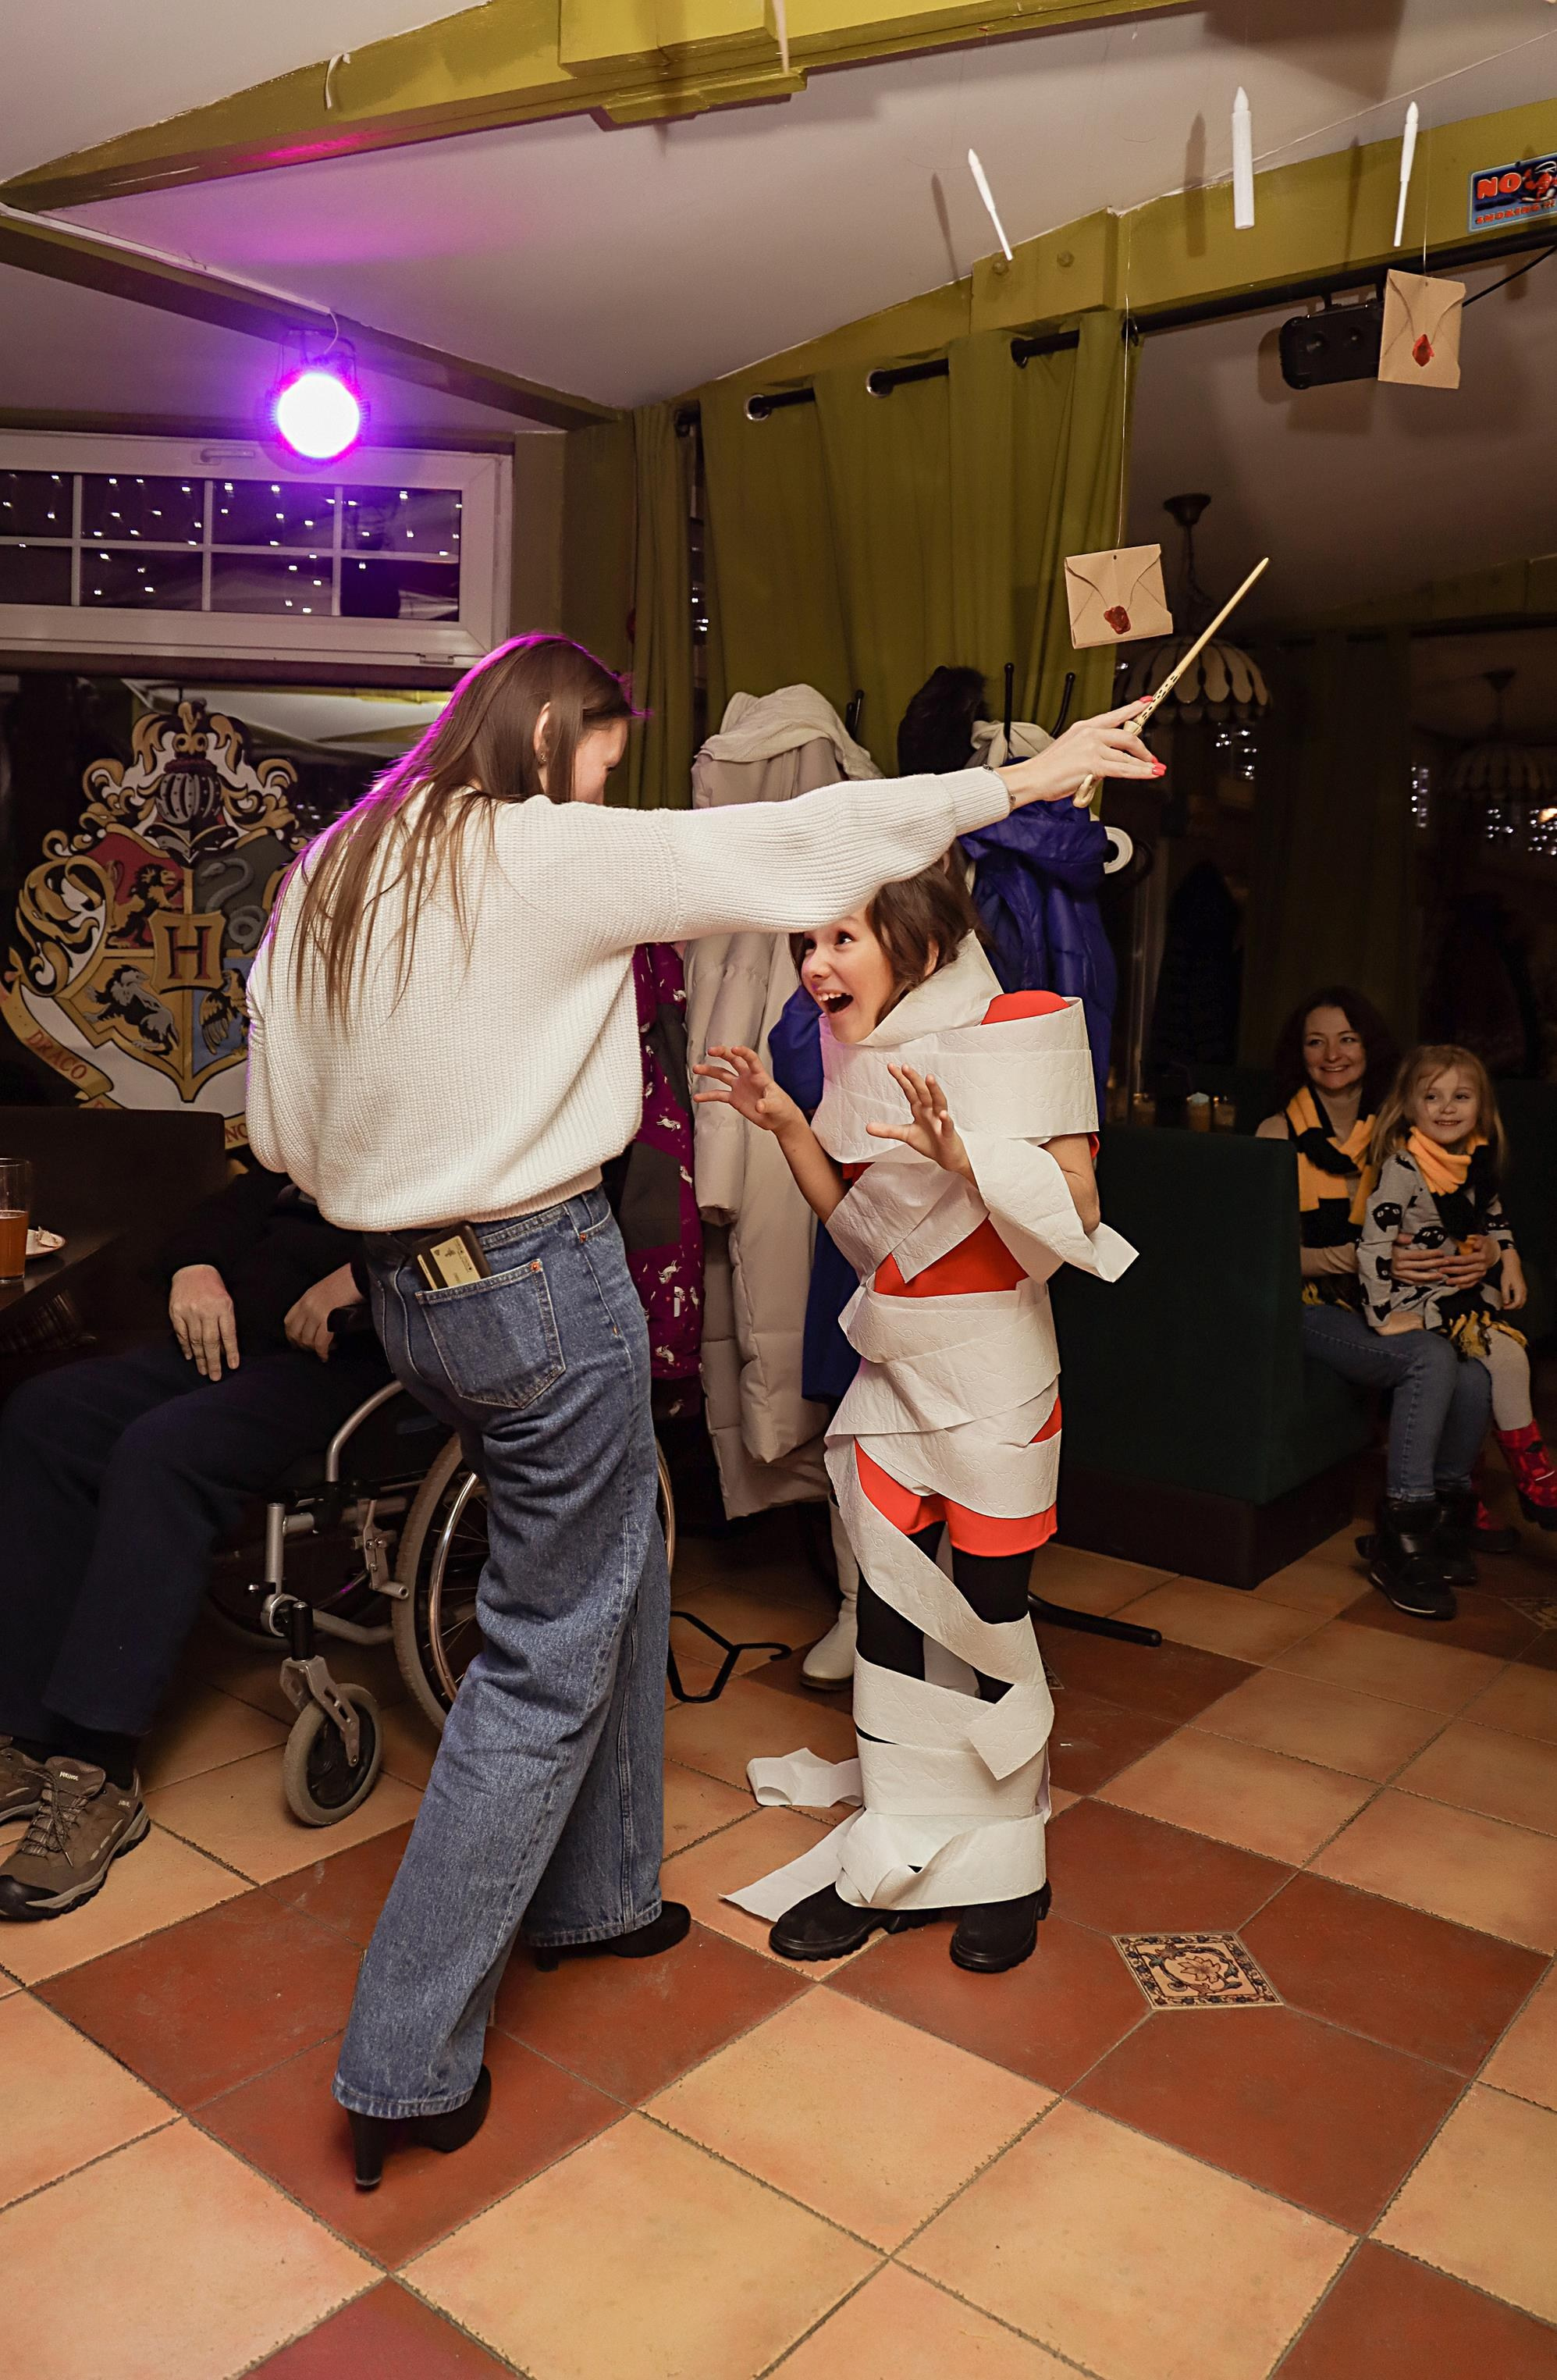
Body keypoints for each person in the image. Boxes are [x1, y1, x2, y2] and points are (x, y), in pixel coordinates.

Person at [244, 632, 1161, 2183]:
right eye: (607, 762)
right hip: (536, 1273)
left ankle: (604, 1898)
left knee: (618, 1564)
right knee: (543, 1653)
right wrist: (1018, 778)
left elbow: (276, 1122)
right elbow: (777, 846)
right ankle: (404, 2058)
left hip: (408, 1289)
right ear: (549, 745)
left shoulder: (339, 861)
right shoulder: (528, 846)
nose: (612, 789)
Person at [695, 865, 1133, 1976]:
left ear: (917, 940)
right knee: (887, 1623)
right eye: (807, 941)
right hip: (893, 1382)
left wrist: (966, 1156)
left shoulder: (1021, 1024)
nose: (812, 965)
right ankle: (896, 1839)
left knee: (987, 1620)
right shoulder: (851, 1067)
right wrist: (789, 1127)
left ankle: (1001, 1867)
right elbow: (860, 1238)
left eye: (838, 937)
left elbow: (1076, 1216)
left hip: (996, 1378)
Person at [0, 1167, 386, 1919]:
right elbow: (240, 1200)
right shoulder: (326, 1105)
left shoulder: (468, 1095)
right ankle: (29, 1734)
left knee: (161, 1451)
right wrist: (195, 1267)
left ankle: (98, 1769)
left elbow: (491, 1235)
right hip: (238, 1339)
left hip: (352, 1362)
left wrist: (372, 1276)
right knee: (42, 1416)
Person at [1255, 990, 1495, 1623]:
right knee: (1427, 1355)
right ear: (1297, 1054)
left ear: (1370, 1047)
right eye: (1314, 1041)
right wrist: (1360, 1260)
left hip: (1399, 1302)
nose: (1331, 1053)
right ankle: (1402, 1532)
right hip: (1311, 1306)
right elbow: (1269, 1253)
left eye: (1347, 1038)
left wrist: (1487, 1258)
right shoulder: (1275, 1132)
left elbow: (1472, 1219)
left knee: (1474, 1368)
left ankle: (1443, 1520)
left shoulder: (1398, 1136)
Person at [1360, 1044, 1555, 1530]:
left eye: (1461, 1096)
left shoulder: (1473, 1160)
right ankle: (1535, 1479)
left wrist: (1508, 1259)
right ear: (1410, 1107)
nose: (1447, 1108)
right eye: (1433, 1097)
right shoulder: (1404, 1170)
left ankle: (1463, 1487)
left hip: (1462, 1291)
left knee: (1483, 1375)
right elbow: (1372, 1246)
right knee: (1508, 1357)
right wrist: (1382, 1316)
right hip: (1422, 1296)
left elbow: (1492, 1214)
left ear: (1481, 1108)